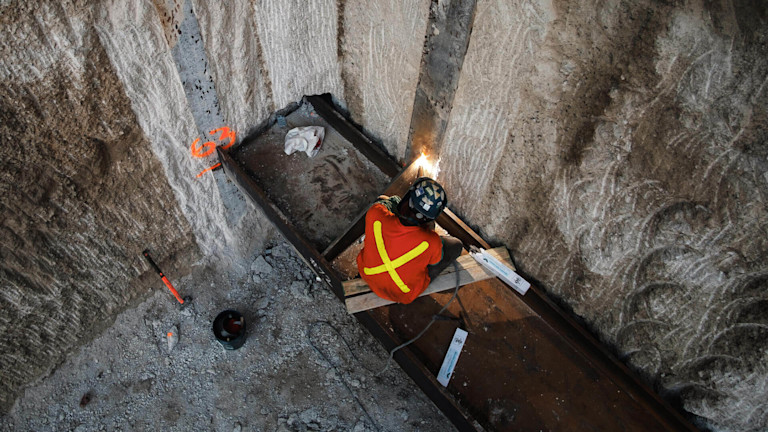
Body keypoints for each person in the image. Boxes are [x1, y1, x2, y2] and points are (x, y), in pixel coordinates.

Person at [356, 177, 464, 304]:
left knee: (385, 199)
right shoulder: (431, 242)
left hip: (367, 273)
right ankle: (416, 276)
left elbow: (385, 202)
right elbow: (434, 260)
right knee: (456, 245)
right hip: (403, 293)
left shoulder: (375, 213)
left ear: (408, 201)